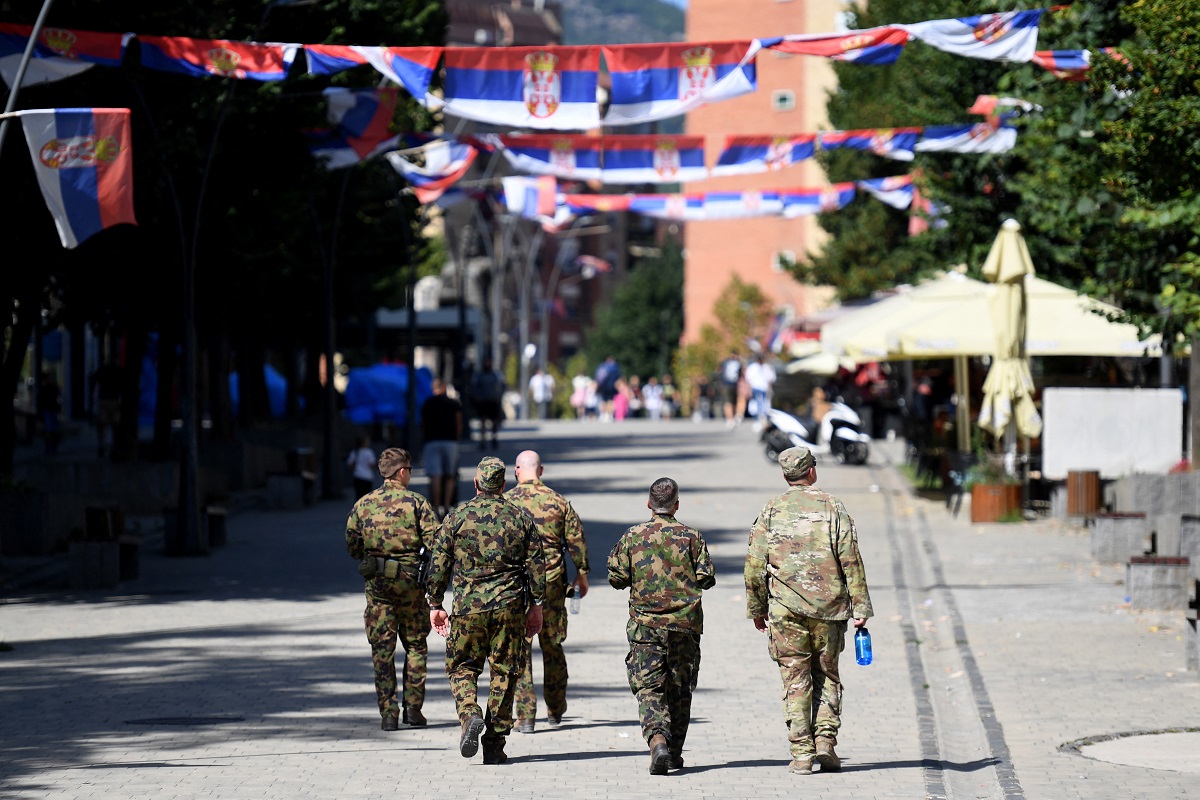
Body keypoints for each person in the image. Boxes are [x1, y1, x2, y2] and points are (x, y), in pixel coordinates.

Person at [743, 445, 874, 776]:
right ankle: (826, 742)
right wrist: (861, 605)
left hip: (785, 612)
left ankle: (802, 753)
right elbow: (850, 557)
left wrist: (757, 607)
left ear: (786, 475)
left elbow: (754, 564)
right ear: (811, 471)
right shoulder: (833, 506)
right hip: (829, 610)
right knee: (827, 674)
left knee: (795, 677)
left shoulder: (771, 510)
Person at [427, 457, 546, 766]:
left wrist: (435, 604)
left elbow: (438, 564)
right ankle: (494, 745)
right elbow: (536, 565)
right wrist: (536, 605)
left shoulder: (456, 518)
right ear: (504, 485)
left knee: (462, 667)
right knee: (505, 673)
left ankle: (469, 715)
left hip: (468, 608)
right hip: (509, 608)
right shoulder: (520, 518)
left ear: (476, 484)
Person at [607, 477, 715, 775]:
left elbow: (616, 578)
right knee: (680, 688)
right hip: (685, 626)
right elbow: (707, 577)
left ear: (649, 504)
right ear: (676, 505)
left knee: (649, 687)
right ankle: (674, 751)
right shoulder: (692, 537)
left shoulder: (633, 536)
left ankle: (658, 741)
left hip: (645, 625)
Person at [345, 447, 439, 731]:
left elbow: (352, 546)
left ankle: (388, 714)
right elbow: (437, 544)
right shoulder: (417, 503)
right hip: (411, 586)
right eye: (409, 470)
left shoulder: (363, 504)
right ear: (402, 472)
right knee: (415, 645)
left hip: (378, 588)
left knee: (382, 650)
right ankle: (413, 709)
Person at [505, 450, 590, 733]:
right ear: (540, 471)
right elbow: (576, 541)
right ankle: (555, 709)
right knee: (552, 644)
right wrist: (582, 574)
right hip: (552, 582)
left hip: (517, 584)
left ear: (517, 471)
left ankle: (526, 715)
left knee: (520, 648)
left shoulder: (506, 503)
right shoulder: (558, 501)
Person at [420, 378, 462, 519]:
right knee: (450, 475)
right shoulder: (452, 403)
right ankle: (446, 505)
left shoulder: (427, 404)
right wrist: (457, 438)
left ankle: (437, 507)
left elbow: (423, 424)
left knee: (435, 475)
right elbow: (458, 422)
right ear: (444, 387)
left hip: (431, 441)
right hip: (450, 441)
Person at [470, 358, 505, 448]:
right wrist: (476, 397)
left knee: (494, 421)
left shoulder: (495, 374)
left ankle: (494, 437)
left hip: (493, 401)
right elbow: (474, 387)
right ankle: (483, 439)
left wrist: (499, 396)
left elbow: (501, 386)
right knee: (483, 421)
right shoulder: (479, 375)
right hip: (483, 401)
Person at [90, 362, 121, 458]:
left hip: (104, 400)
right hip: (113, 400)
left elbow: (93, 382)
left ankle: (102, 445)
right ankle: (114, 446)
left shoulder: (101, 371)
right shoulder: (116, 371)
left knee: (103, 426)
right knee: (115, 425)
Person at [745, 355, 777, 427]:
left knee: (763, 403)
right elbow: (748, 379)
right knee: (757, 403)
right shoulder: (753, 367)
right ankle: (757, 419)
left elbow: (770, 379)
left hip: (763, 388)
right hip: (756, 387)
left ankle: (762, 418)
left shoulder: (766, 367)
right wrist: (748, 389)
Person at [36, 371, 61, 455]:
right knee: (50, 429)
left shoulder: (48, 388)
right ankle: (51, 447)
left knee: (50, 429)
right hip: (48, 409)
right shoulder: (47, 388)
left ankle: (51, 447)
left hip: (49, 409)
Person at [346, 435, 377, 500]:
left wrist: (355, 468)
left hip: (357, 475)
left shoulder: (355, 452)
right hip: (367, 476)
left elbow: (349, 463)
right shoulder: (369, 452)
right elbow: (372, 464)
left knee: (358, 495)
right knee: (367, 496)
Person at [718, 353, 742, 428]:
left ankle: (730, 419)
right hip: (734, 385)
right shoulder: (738, 363)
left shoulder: (725, 363)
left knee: (728, 402)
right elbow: (740, 375)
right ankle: (732, 417)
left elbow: (721, 373)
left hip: (727, 385)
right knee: (731, 402)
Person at [594, 356, 621, 422]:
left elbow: (598, 377)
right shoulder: (615, 367)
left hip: (602, 387)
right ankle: (610, 415)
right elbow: (618, 377)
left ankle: (603, 415)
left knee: (603, 401)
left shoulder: (602, 367)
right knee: (611, 401)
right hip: (611, 387)